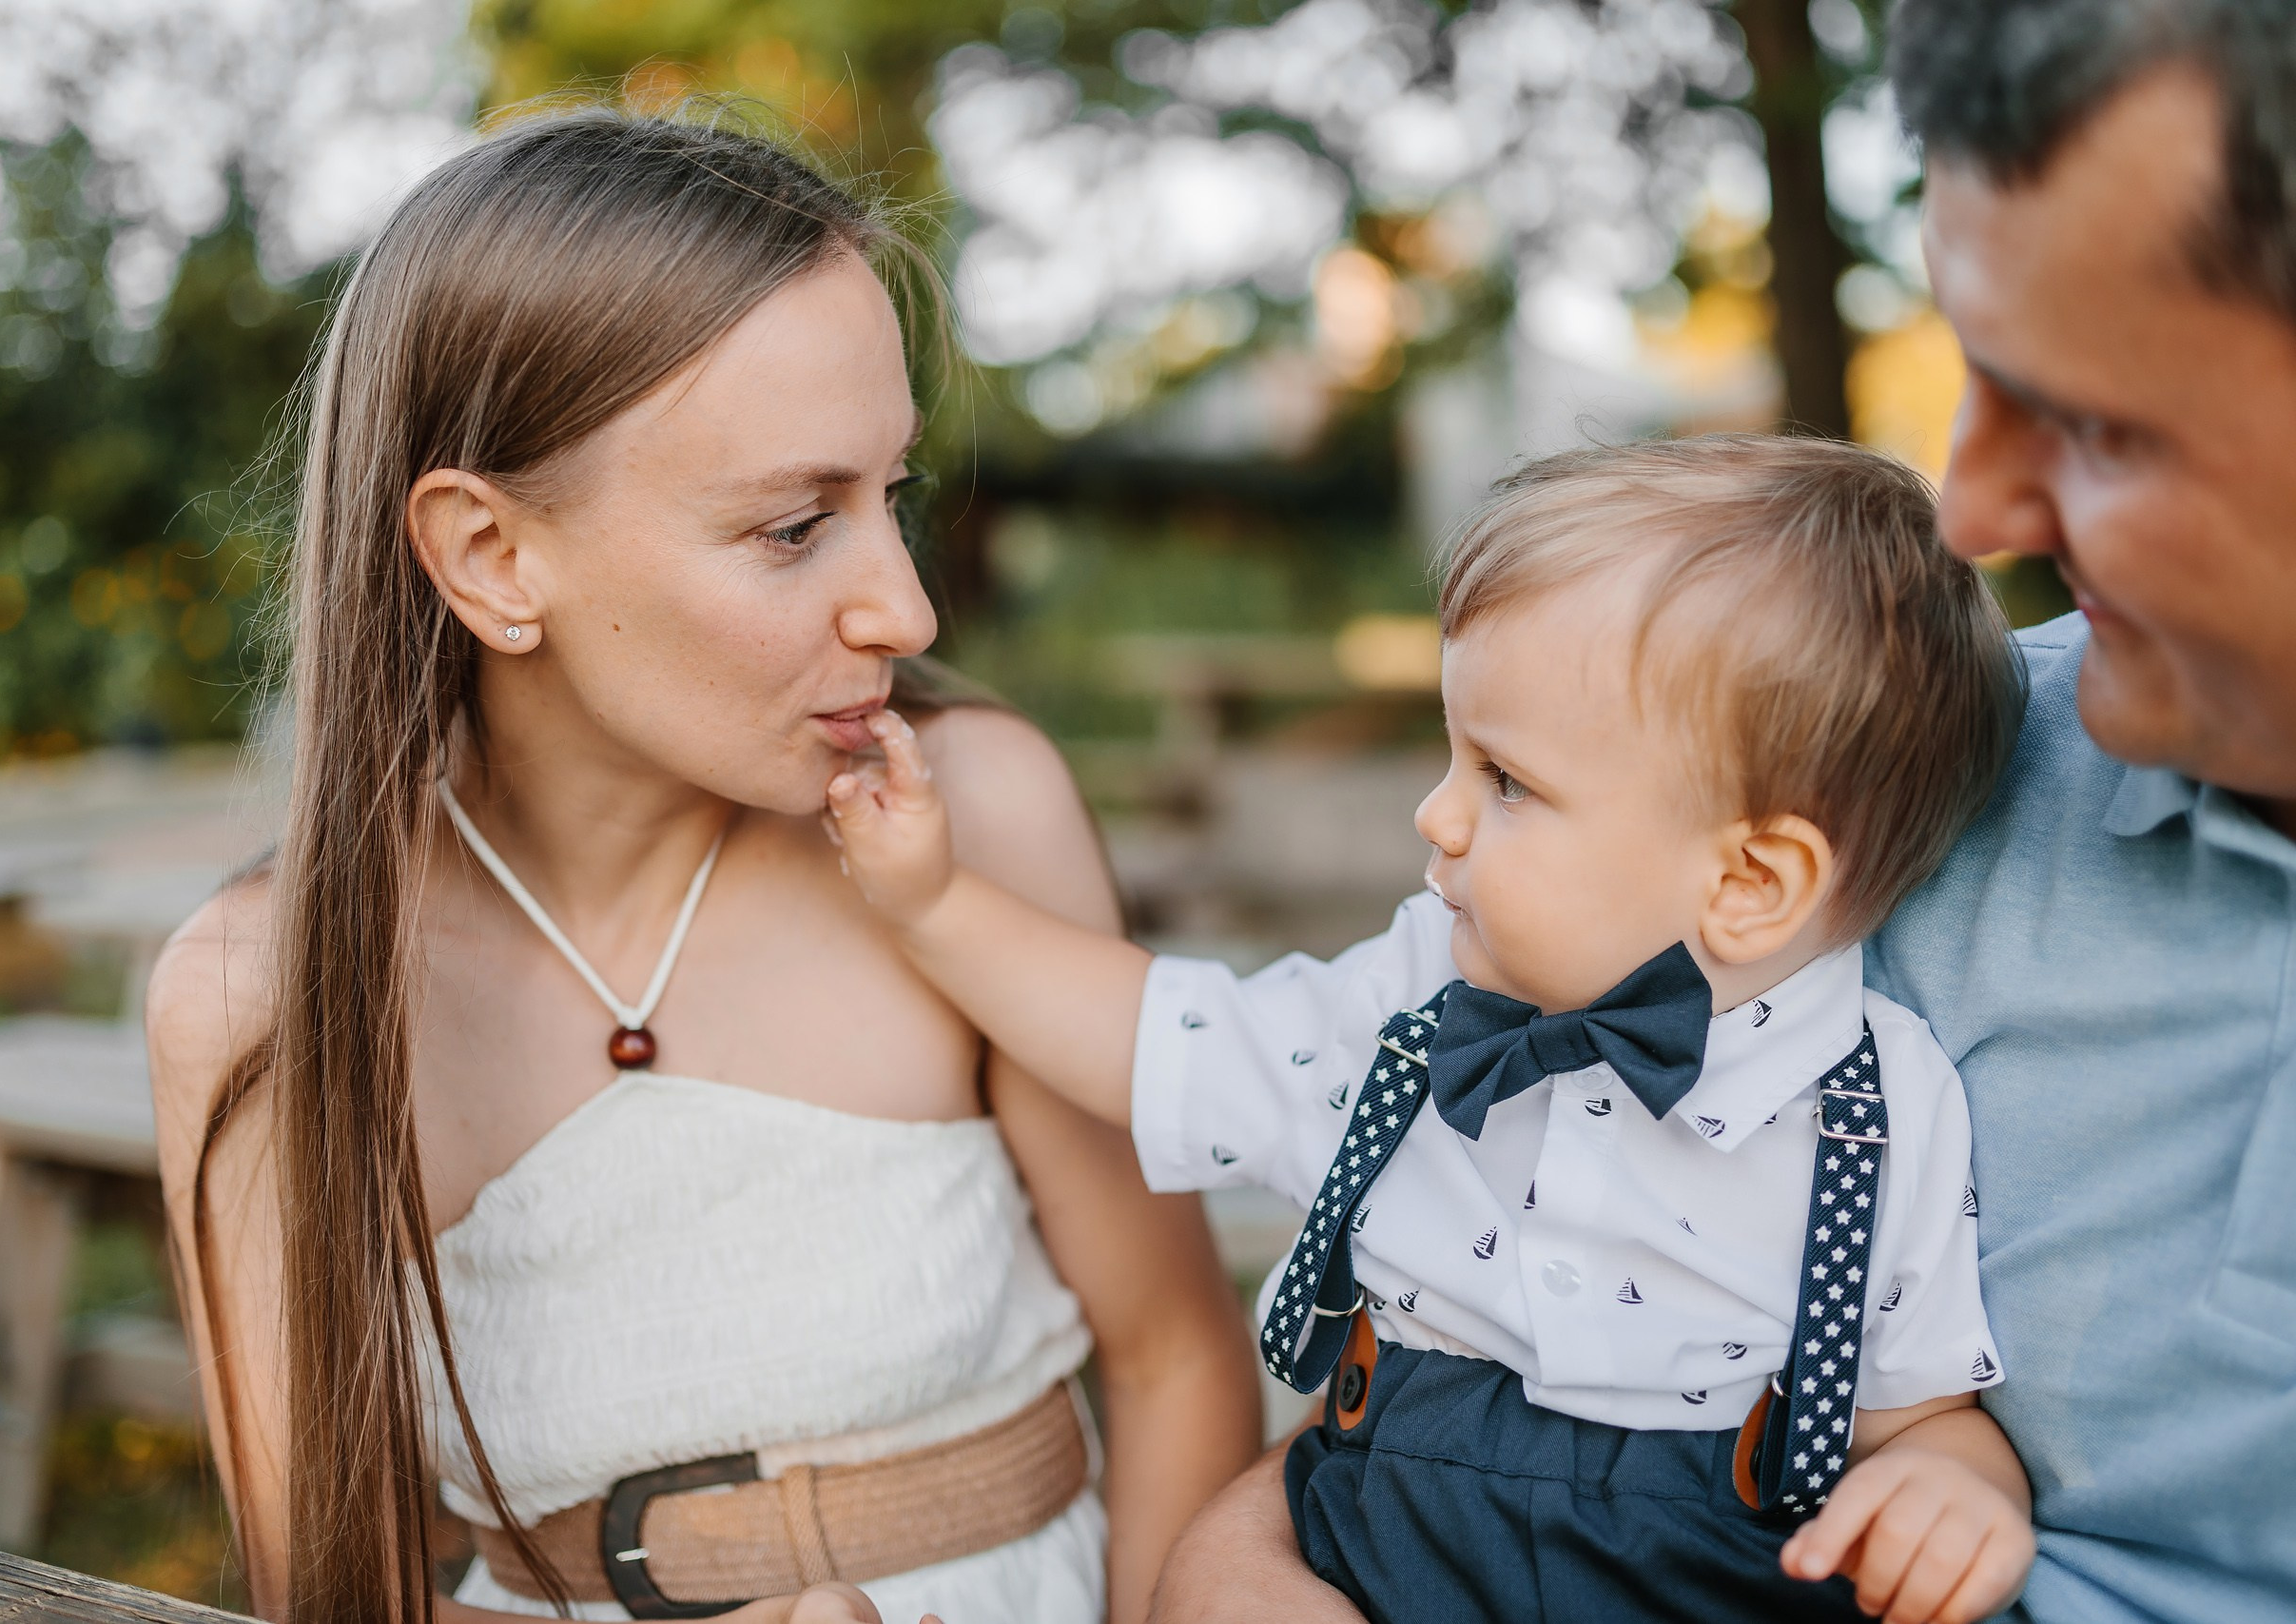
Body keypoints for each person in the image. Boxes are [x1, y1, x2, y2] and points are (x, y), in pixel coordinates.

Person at [1145, 3, 2296, 1621]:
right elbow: (1495, 1343)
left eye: (2102, 421)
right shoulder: (1921, 764)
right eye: (1984, 375)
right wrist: (1248, 1559)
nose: (1975, 507)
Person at [143, 110, 1261, 1624]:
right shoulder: (258, 990)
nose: (909, 610)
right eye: (796, 525)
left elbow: (1177, 1354)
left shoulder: (971, 819)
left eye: (893, 496)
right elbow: (334, 1586)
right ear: (491, 556)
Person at [822, 435, 2039, 1623]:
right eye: (1454, 758)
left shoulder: (1874, 1110)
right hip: (1370, 1546)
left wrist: (1952, 1491)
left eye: (1504, 780)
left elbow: (1918, 1409)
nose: (1438, 814)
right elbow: (1159, 1042)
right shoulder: (1413, 998)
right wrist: (937, 905)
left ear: (1750, 882)